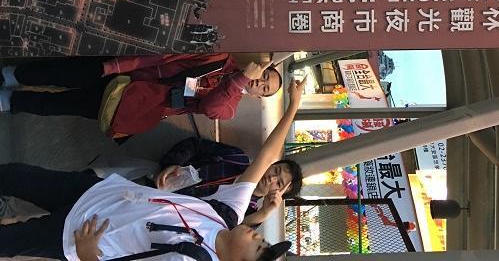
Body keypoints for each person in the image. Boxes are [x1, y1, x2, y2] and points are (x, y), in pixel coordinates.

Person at [0, 76, 307, 260]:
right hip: (96, 194)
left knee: (10, 241)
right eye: (262, 239)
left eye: (258, 247)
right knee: (14, 175)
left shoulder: (194, 258)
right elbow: (266, 156)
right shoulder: (226, 214)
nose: (256, 237)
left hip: (78, 234)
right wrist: (293, 105)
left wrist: (88, 255)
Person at [0, 54, 282, 137]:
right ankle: (12, 75)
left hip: (134, 102)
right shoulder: (220, 58)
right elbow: (167, 57)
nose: (261, 82)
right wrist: (118, 65)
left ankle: (10, 101)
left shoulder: (229, 107)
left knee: (62, 104)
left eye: (265, 88)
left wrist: (239, 80)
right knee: (63, 73)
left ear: (259, 97)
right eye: (265, 76)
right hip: (130, 74)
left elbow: (210, 107)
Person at [152, 138, 303, 226]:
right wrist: (174, 163)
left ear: (278, 195)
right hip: (157, 179)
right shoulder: (235, 157)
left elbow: (229, 233)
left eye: (279, 183)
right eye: (276, 170)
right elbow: (195, 145)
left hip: (161, 216)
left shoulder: (248, 213)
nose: (272, 178)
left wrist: (264, 213)